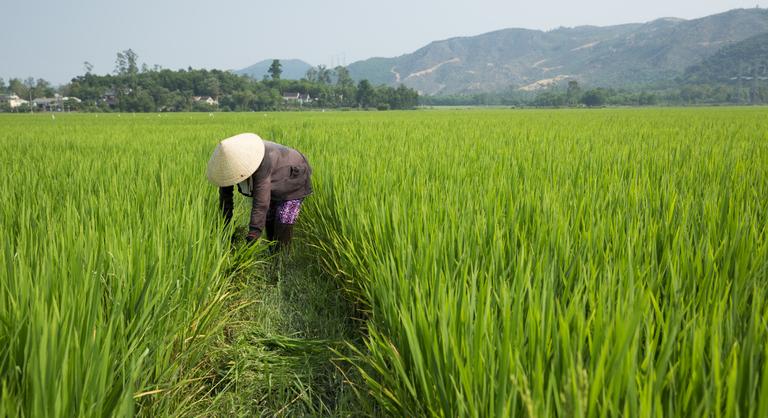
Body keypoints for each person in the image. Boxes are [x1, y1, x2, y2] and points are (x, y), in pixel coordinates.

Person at [206, 133, 312, 249]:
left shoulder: (260, 161)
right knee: (270, 219)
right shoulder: (225, 167)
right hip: (273, 179)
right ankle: (273, 255)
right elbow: (225, 202)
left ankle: (282, 260)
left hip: (294, 176)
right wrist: (226, 230)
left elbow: (261, 204)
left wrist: (252, 236)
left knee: (283, 219)